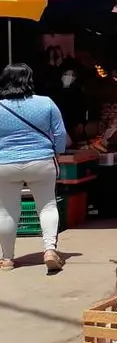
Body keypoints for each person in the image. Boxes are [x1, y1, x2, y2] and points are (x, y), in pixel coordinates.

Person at [0, 64, 68, 272]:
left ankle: (7, 259)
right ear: (29, 80)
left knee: (6, 211)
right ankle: (49, 250)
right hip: (42, 161)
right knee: (47, 205)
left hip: (5, 163)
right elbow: (60, 133)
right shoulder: (46, 103)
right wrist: (57, 153)